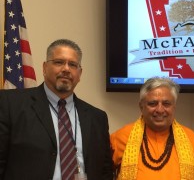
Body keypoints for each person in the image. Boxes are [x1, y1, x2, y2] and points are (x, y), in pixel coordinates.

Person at [0, 39, 113, 180]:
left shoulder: (97, 118)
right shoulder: (10, 104)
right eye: (59, 62)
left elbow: (105, 170)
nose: (66, 69)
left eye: (72, 64)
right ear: (45, 68)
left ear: (80, 73)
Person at [110, 77, 194, 180]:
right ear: (141, 106)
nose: (160, 109)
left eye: (166, 104)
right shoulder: (119, 138)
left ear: (174, 107)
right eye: (152, 103)